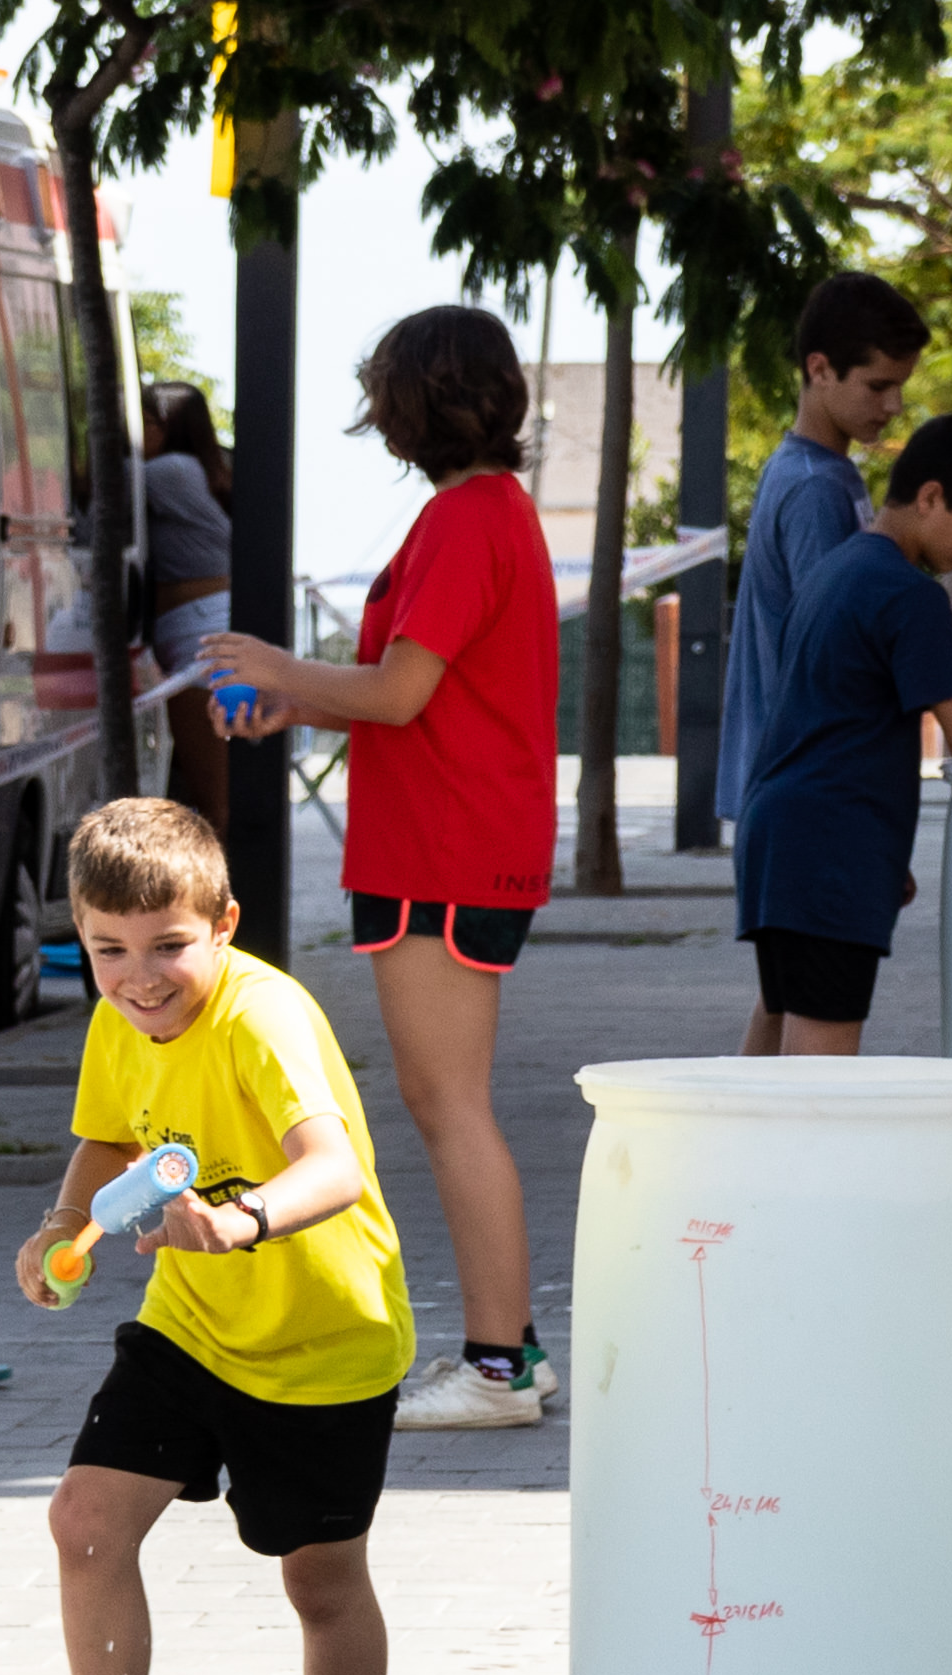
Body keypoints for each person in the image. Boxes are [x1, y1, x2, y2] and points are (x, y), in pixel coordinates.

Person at [8, 799, 415, 1675]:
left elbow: (333, 1166)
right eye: (108, 950)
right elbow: (111, 1138)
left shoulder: (262, 1018)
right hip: (190, 1324)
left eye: (168, 946)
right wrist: (62, 1225)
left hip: (323, 1337)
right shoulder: (121, 1016)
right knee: (85, 1522)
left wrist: (239, 1223)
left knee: (320, 1580)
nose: (140, 978)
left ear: (225, 924)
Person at [197, 305, 560, 1433]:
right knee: (448, 1102)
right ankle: (511, 1350)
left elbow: (401, 693)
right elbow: (425, 695)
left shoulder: (463, 519)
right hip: (453, 838)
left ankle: (498, 1366)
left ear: (410, 406)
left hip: (443, 846)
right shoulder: (488, 513)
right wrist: (298, 704)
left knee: (448, 1105)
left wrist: (276, 666)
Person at [737, 415, 952, 1054]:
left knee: (776, 1027)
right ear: (930, 497)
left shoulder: (835, 571)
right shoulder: (909, 595)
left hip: (779, 839)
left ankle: (727, 1129)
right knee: (818, 1076)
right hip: (830, 846)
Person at [716, 272, 930, 825]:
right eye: (877, 386)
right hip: (804, 787)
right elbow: (837, 647)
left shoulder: (815, 470)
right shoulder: (815, 487)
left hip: (796, 781)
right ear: (819, 369)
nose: (894, 405)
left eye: (900, 386)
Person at [140, 382, 235, 834]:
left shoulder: (170, 470)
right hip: (204, 628)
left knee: (213, 802)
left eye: (141, 422)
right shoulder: (201, 468)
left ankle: (223, 881)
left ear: (166, 426)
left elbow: (86, 478)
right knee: (211, 795)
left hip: (199, 636)